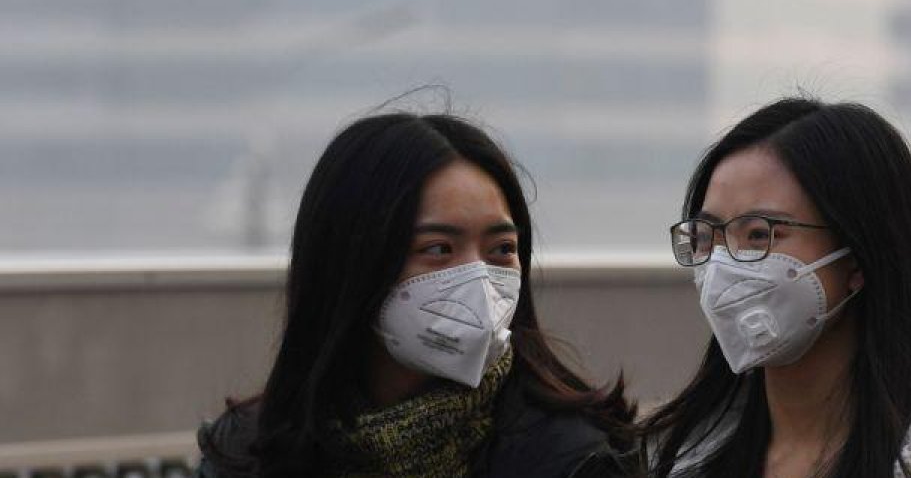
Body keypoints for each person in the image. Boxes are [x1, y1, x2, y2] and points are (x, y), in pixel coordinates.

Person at [639, 97, 911, 478]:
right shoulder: (686, 452)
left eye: (759, 234)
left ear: (858, 258)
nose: (722, 266)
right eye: (708, 236)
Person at [198, 112, 636, 478]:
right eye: (438, 250)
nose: (479, 282)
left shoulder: (574, 459)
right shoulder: (245, 452)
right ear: (353, 264)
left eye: (501, 250)